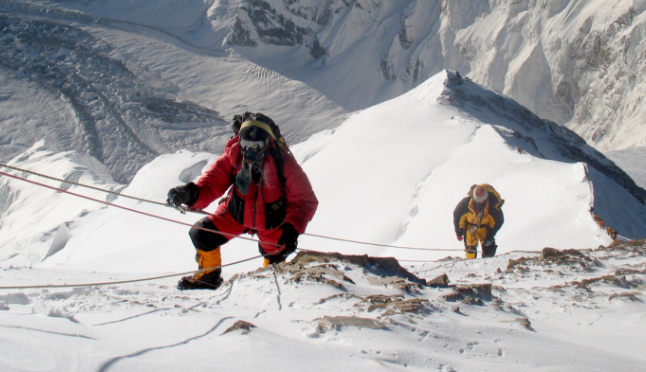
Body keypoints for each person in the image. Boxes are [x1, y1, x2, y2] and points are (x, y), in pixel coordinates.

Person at [166, 112, 319, 290]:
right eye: (246, 144)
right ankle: (208, 278)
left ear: (267, 143)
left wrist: (291, 229)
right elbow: (211, 183)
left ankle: (270, 280)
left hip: (271, 221)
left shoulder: (283, 162)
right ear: (239, 140)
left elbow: (304, 201)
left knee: (276, 257)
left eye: (256, 145)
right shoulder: (234, 155)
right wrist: (189, 193)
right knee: (201, 234)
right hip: (237, 214)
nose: (251, 149)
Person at [453, 184, 504, 259]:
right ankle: (470, 265)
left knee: (489, 250)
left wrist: (490, 235)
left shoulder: (493, 207)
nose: (479, 202)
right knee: (470, 250)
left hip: (486, 229)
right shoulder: (465, 204)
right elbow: (458, 216)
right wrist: (459, 232)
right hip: (470, 229)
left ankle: (486, 265)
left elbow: (498, 221)